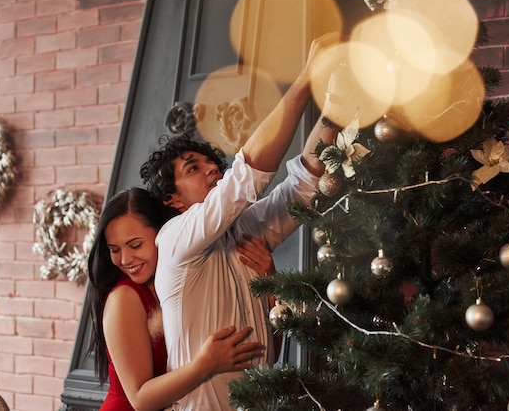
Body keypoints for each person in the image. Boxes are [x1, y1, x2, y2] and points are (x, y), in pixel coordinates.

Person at [139, 33, 340, 410]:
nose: (212, 168)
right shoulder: (174, 239)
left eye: (211, 162)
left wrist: (339, 104)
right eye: (193, 168)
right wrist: (307, 78)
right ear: (173, 199)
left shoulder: (245, 230)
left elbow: (305, 181)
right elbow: (247, 176)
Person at [87, 187, 276, 411]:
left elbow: (265, 355)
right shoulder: (124, 297)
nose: (126, 259)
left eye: (135, 245)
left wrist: (271, 286)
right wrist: (205, 365)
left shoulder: (186, 283)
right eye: (114, 249)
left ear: (163, 234)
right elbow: (139, 400)